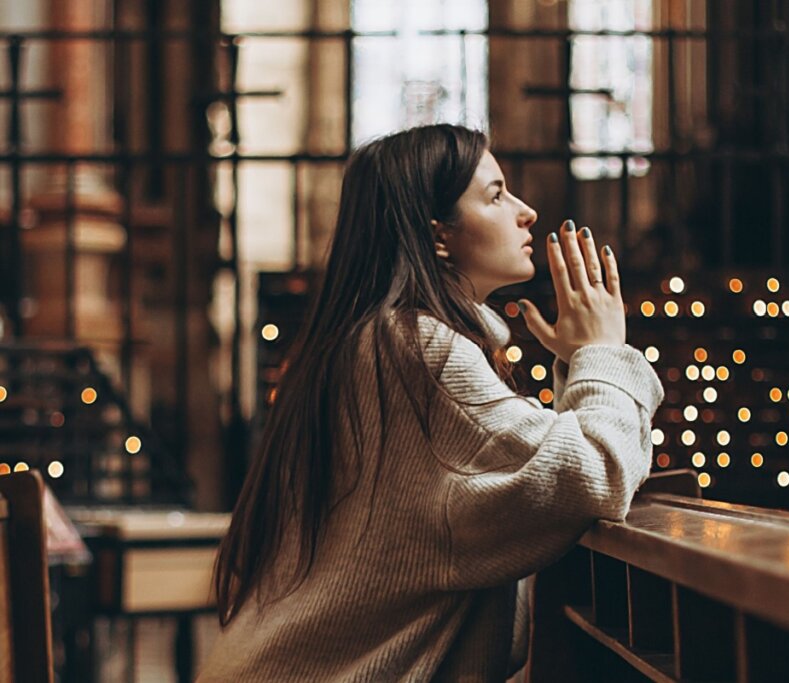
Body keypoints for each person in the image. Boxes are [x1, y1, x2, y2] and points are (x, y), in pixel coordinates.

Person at [197, 124, 664, 682]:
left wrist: (582, 367)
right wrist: (602, 351)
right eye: (495, 195)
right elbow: (595, 475)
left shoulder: (377, 340)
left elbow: (540, 484)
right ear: (438, 236)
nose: (527, 212)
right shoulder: (420, 351)